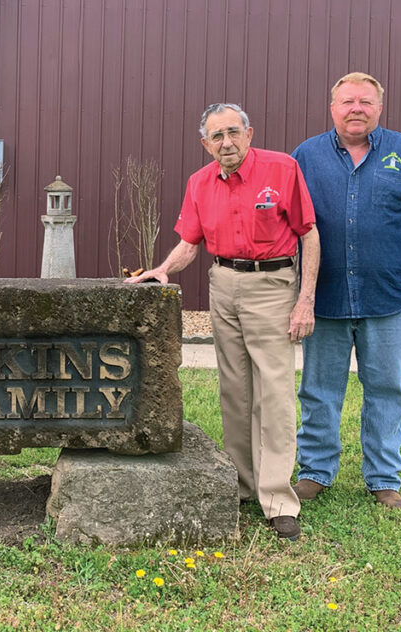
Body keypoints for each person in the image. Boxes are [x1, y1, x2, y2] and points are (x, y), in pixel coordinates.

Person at [127, 103, 319, 541]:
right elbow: (189, 242)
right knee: (235, 389)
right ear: (205, 144)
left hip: (272, 284)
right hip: (224, 282)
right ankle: (243, 485)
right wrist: (162, 269)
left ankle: (278, 499)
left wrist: (305, 298)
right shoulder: (199, 182)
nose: (226, 142)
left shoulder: (282, 169)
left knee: (273, 391)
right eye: (217, 136)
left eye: (234, 132)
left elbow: (309, 233)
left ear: (249, 134)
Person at [291, 72, 401, 509]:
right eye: (348, 101)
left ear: (379, 108)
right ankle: (314, 471)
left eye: (365, 102)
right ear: (332, 108)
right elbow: (284, 220)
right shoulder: (306, 157)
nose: (356, 109)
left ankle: (384, 477)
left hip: (388, 299)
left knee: (387, 388)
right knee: (318, 390)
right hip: (325, 299)